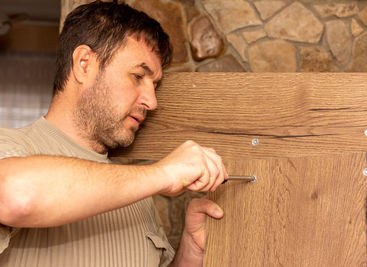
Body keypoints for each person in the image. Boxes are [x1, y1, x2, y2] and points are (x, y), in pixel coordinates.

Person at [0, 1, 228, 266]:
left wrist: (191, 248)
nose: (152, 102)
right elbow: (14, 195)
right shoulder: (12, 147)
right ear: (84, 64)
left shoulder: (137, 194)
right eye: (137, 76)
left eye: (155, 85)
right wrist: (164, 173)